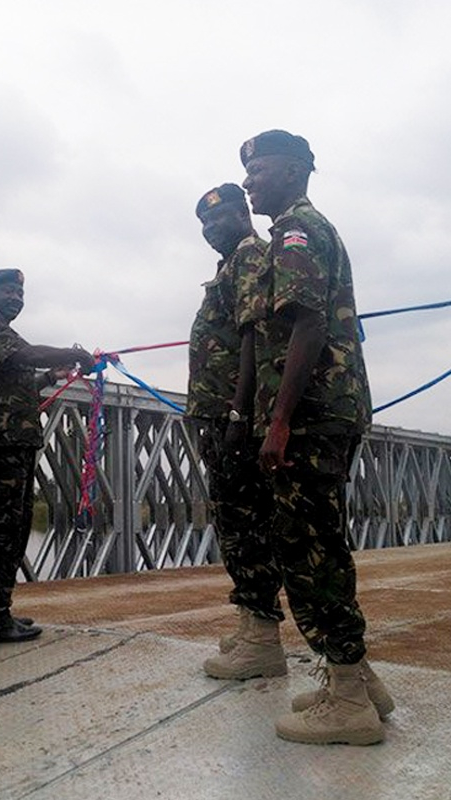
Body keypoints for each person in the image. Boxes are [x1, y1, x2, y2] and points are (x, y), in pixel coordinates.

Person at [239, 129, 393, 745]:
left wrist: (278, 421)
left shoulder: (295, 231)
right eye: (246, 170)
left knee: (310, 552)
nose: (250, 180)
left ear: (298, 170)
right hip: (327, 409)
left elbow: (304, 323)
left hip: (310, 414)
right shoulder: (307, 228)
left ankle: (350, 702)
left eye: (260, 170)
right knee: (321, 542)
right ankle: (359, 680)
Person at [0, 268, 96, 644]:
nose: (15, 298)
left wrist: (50, 377)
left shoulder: (2, 333)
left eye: (20, 293)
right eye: (8, 291)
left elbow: (14, 385)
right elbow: (25, 355)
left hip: (12, 446)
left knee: (13, 531)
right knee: (0, 533)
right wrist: (72, 353)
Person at [187, 184, 286, 681]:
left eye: (219, 218)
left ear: (242, 213)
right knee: (235, 523)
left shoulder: (249, 257)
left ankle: (263, 638)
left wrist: (237, 413)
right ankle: (251, 623)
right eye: (204, 225)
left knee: (246, 523)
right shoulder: (229, 266)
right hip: (219, 415)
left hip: (234, 419)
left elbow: (252, 335)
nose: (211, 231)